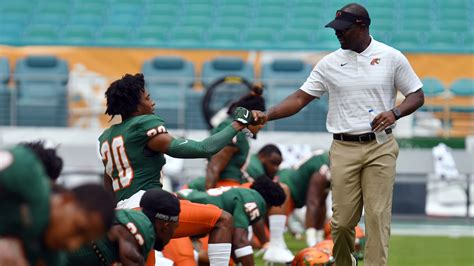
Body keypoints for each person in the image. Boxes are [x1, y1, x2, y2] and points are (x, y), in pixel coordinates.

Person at [252, 3, 424, 265]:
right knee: (342, 223)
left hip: (380, 146)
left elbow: (417, 95)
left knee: (377, 217)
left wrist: (395, 113)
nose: (337, 34)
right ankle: (345, 261)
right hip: (343, 148)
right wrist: (267, 115)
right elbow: (300, 98)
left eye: (343, 29)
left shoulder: (391, 57)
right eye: (336, 29)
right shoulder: (329, 63)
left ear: (362, 26)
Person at [99, 73, 253, 265]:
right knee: (222, 220)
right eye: (147, 98)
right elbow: (204, 148)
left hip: (122, 215)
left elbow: (109, 186)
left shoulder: (107, 136)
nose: (152, 103)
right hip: (146, 210)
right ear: (136, 107)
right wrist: (237, 124)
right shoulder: (143, 126)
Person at [0, 145, 115, 265]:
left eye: (83, 243)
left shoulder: (53, 259)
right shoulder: (27, 175)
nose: (72, 245)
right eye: (78, 229)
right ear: (67, 200)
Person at [174, 176, 286, 266]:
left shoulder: (244, 193)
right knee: (186, 260)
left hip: (182, 202)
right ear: (270, 204)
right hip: (177, 208)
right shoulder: (256, 200)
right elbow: (240, 241)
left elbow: (233, 242)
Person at [67, 188, 180, 266]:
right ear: (166, 226)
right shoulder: (143, 226)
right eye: (175, 227)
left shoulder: (133, 218)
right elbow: (130, 256)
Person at [204, 84, 266, 190]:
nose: (263, 125)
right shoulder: (233, 129)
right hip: (225, 188)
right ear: (253, 115)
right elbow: (214, 168)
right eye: (261, 119)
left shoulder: (239, 130)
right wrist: (210, 198)